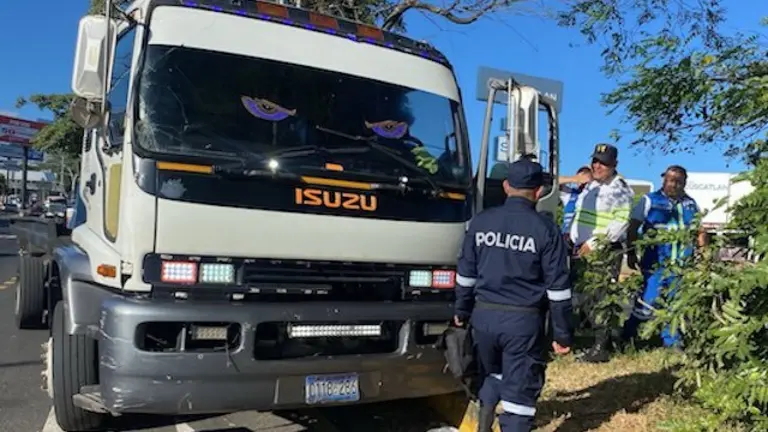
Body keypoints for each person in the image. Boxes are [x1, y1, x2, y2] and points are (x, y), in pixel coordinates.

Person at [454, 158, 574, 432]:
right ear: (539, 191)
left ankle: (483, 425)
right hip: (523, 322)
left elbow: (465, 276)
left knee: (491, 374)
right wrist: (562, 334)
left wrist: (461, 311)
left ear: (506, 186)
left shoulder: (481, 222)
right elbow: (558, 290)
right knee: (519, 396)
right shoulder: (546, 230)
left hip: (483, 317)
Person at [621, 165, 705, 347]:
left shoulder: (691, 204)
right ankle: (629, 335)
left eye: (678, 181)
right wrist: (631, 254)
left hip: (681, 265)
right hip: (655, 264)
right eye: (669, 180)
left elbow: (700, 231)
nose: (673, 185)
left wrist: (703, 255)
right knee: (647, 302)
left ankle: (672, 341)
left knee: (676, 304)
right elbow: (633, 228)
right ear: (663, 180)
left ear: (684, 183)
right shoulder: (649, 201)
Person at [568, 143, 635, 363]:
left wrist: (594, 244)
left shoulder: (620, 189)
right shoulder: (591, 186)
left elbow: (620, 224)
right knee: (584, 297)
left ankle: (601, 347)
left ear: (614, 165)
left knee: (599, 297)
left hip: (603, 250)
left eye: (603, 163)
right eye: (595, 161)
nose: (597, 166)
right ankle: (595, 340)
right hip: (581, 248)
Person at [559, 167, 593, 238]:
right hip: (566, 235)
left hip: (585, 236)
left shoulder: (594, 194)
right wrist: (574, 179)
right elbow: (555, 181)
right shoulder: (570, 194)